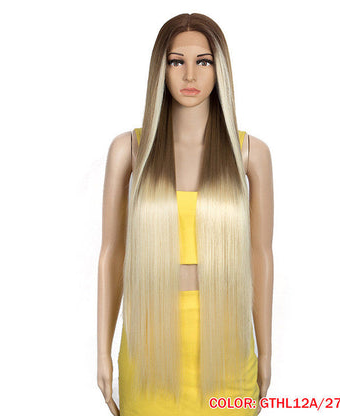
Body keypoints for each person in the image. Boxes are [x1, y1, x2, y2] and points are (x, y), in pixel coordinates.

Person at [97, 13, 274, 416]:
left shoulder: (250, 154)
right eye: (176, 61)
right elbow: (111, 253)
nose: (190, 74)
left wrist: (265, 351)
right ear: (160, 69)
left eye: (203, 61)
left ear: (220, 68)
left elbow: (261, 255)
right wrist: (103, 351)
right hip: (150, 346)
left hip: (226, 347)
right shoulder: (129, 151)